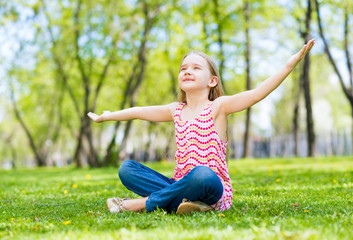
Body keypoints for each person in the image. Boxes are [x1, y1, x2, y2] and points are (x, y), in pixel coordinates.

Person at [87, 39, 315, 214]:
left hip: (210, 186)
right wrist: (108, 116)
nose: (187, 71)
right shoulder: (175, 110)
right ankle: (188, 204)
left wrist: (288, 66)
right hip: (180, 186)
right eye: (183, 68)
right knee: (127, 169)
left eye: (196, 68)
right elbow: (138, 112)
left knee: (202, 175)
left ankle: (142, 204)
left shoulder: (219, 107)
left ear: (212, 81)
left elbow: (256, 95)